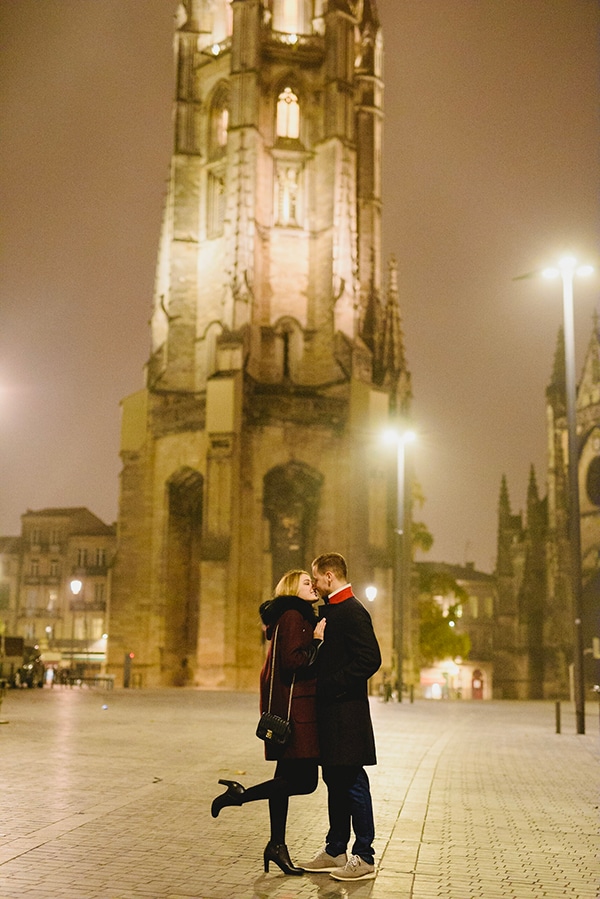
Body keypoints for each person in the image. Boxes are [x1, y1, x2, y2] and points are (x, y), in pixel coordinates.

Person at [211, 569, 326, 875]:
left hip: (294, 711)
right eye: (306, 582)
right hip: (297, 714)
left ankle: (277, 845)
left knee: (285, 781)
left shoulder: (294, 615)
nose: (312, 586)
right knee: (305, 782)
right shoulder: (292, 615)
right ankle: (240, 795)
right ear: (291, 589)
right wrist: (316, 641)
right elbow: (292, 661)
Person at [302, 552, 381, 882]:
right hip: (333, 715)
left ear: (330, 576)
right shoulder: (334, 612)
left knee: (352, 781)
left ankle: (364, 855)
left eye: (316, 578)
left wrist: (330, 684)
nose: (316, 584)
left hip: (347, 715)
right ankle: (336, 848)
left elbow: (370, 659)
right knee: (334, 779)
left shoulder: (352, 612)